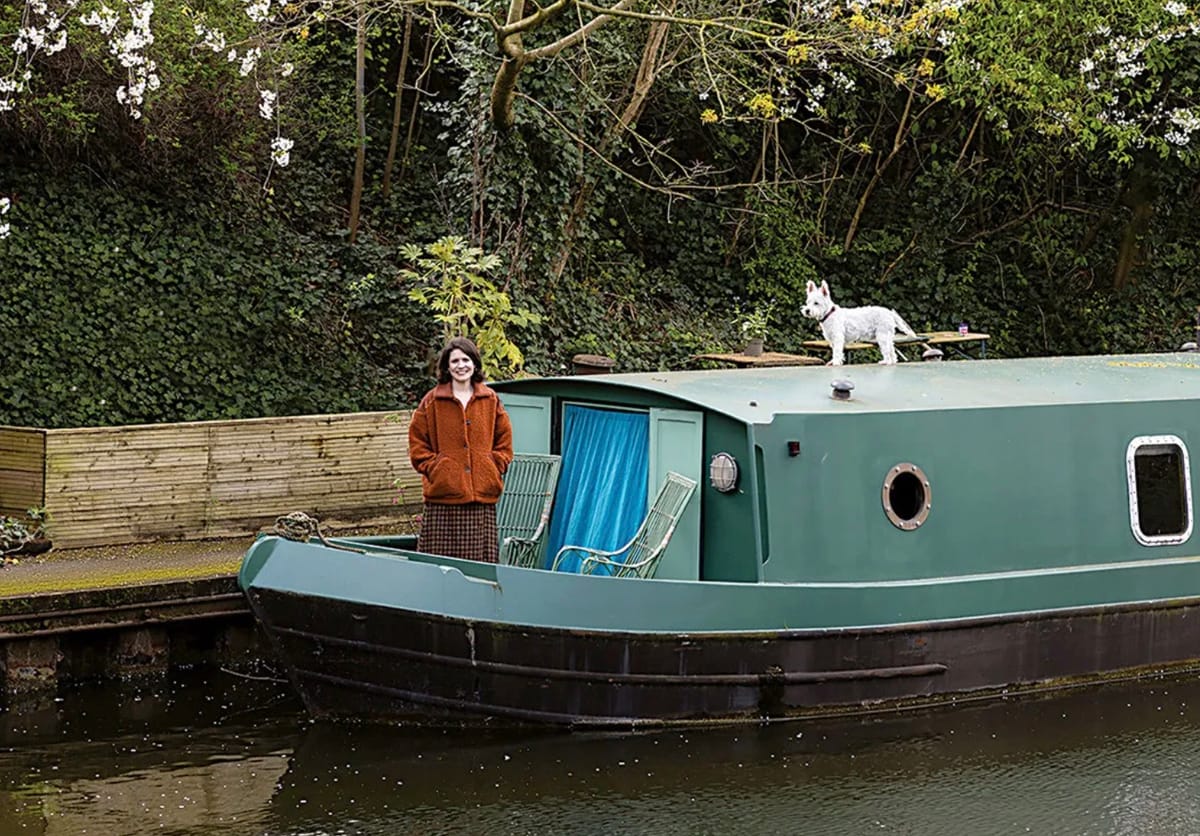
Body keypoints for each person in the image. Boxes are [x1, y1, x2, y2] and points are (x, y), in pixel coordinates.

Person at [408, 336, 514, 563]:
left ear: (474, 364)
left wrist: (493, 466)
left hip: (480, 499)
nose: (461, 366)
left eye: (466, 359)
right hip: (443, 498)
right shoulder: (432, 401)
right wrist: (437, 469)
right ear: (447, 366)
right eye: (455, 361)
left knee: (478, 566)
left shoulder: (490, 400)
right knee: (437, 566)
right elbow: (417, 444)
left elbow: (504, 441)